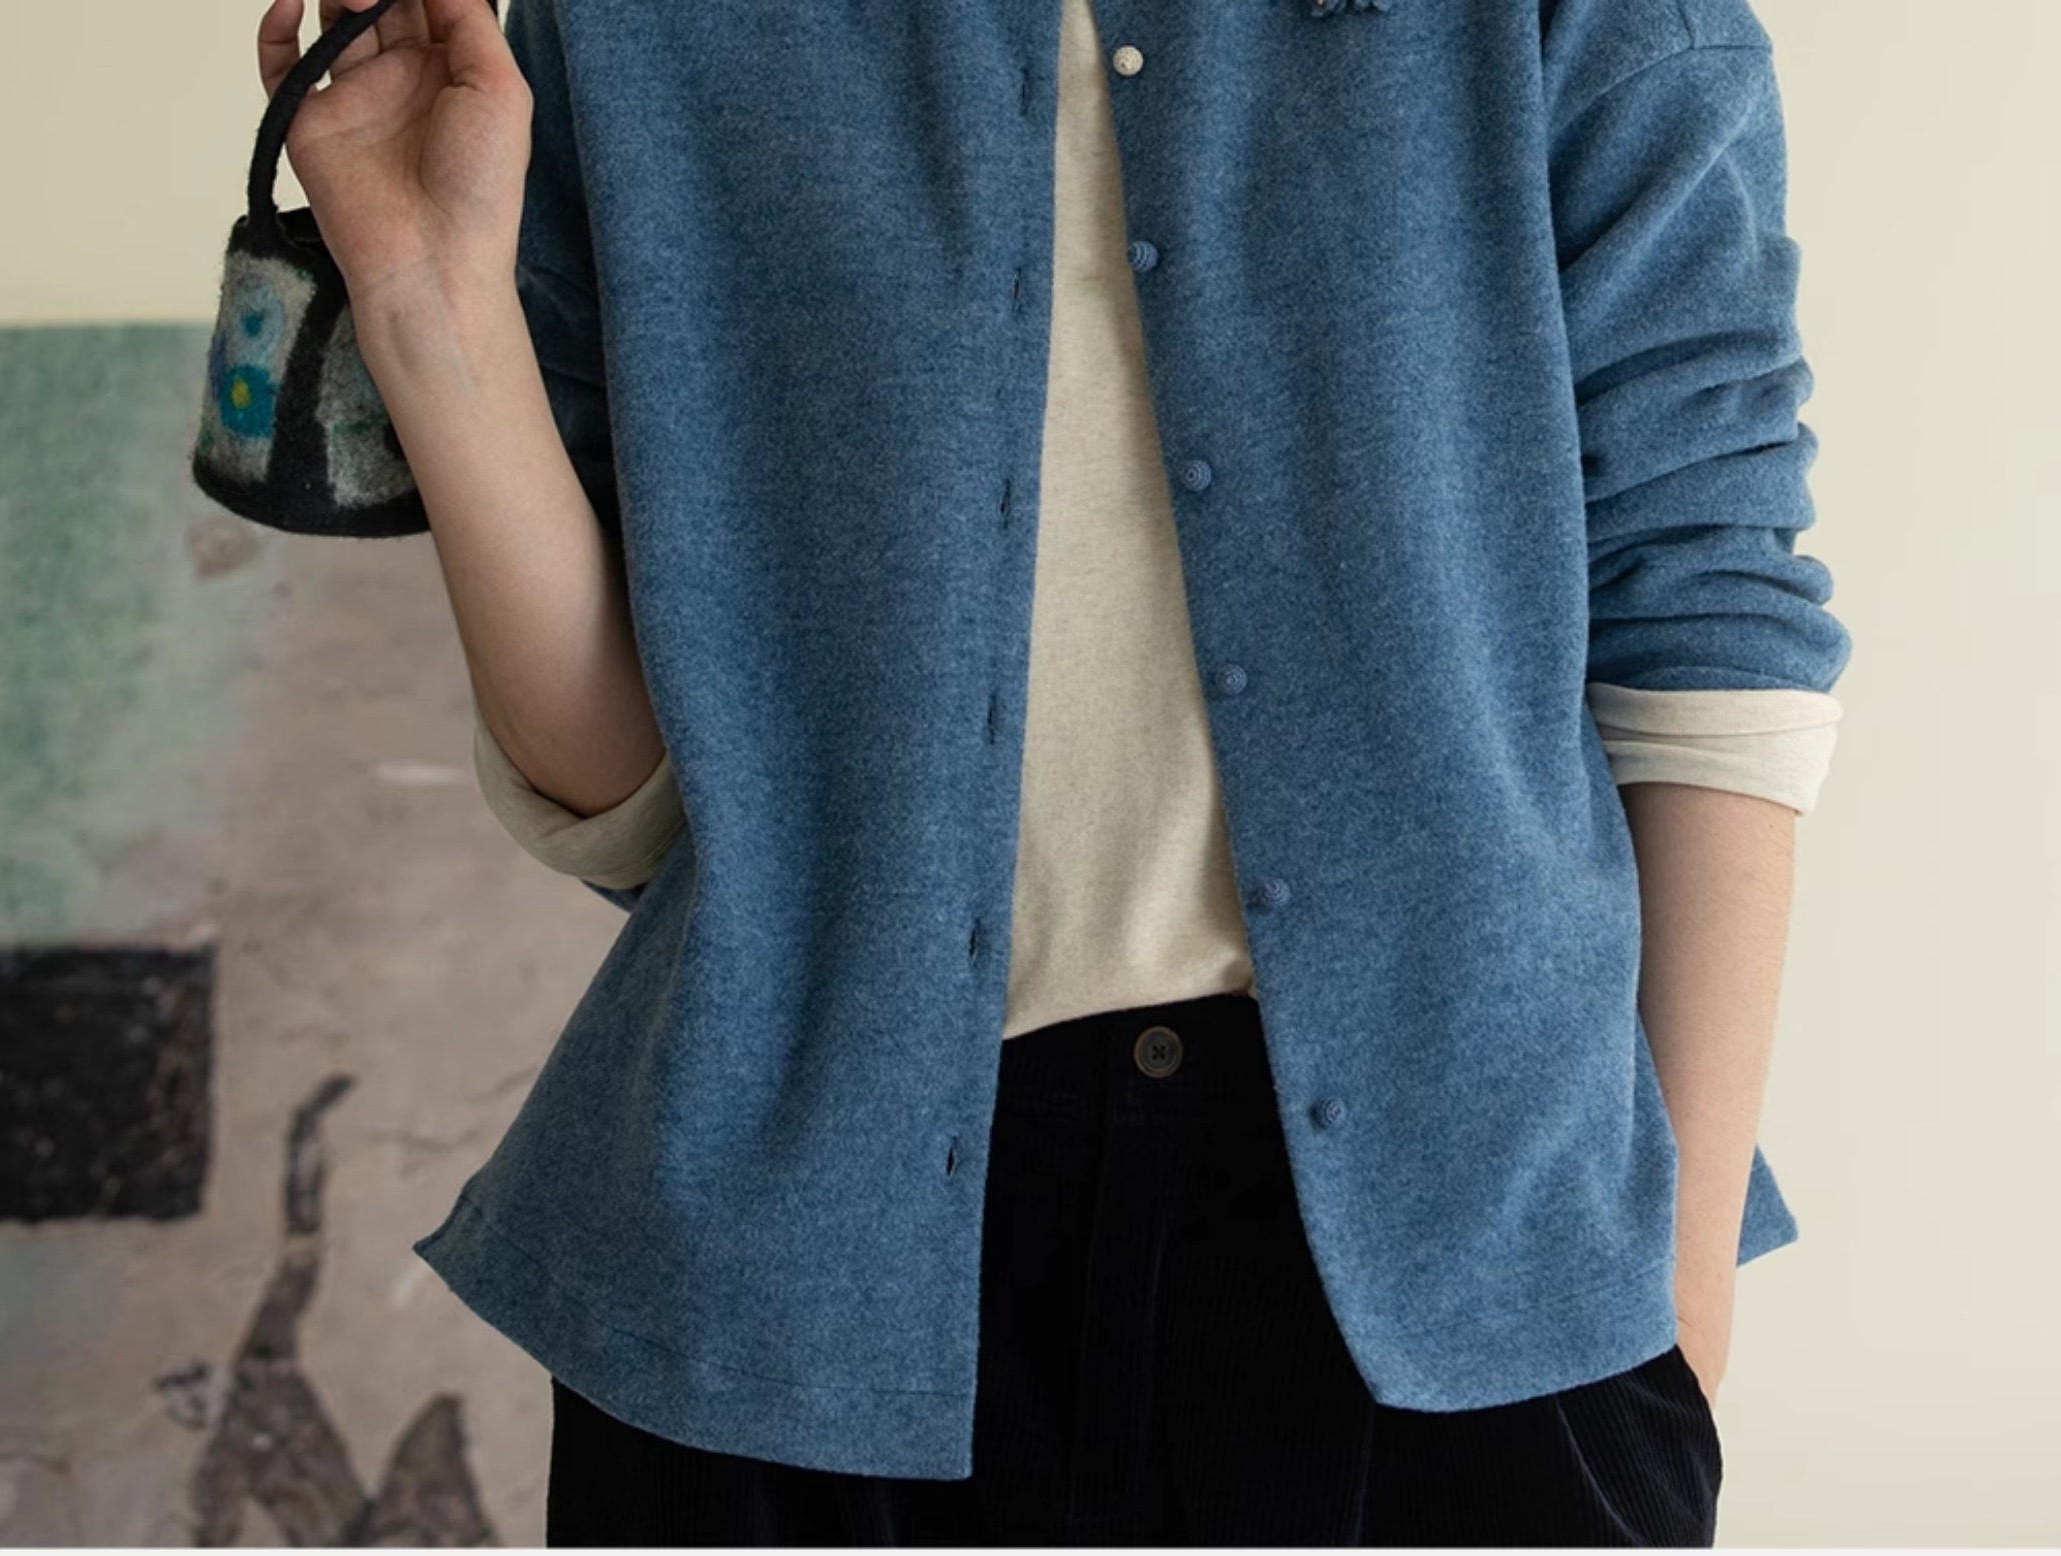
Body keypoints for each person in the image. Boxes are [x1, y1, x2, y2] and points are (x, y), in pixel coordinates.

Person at [259, 0, 1850, 1542]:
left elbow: (1708, 623)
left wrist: (1675, 1311)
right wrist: (425, 300)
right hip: (795, 1291)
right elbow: (645, 803)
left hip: (1470, 1259)